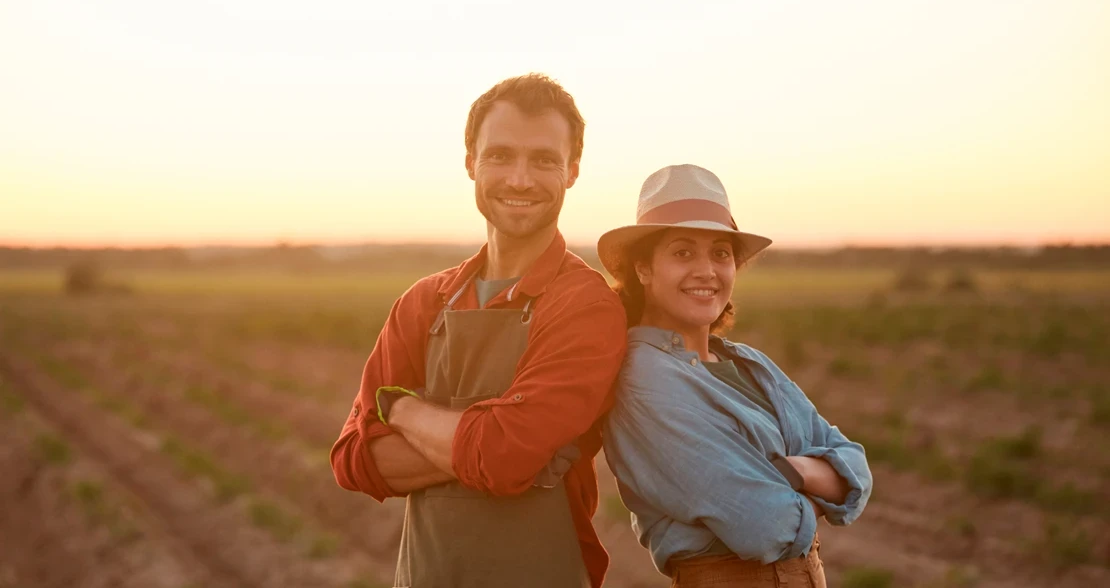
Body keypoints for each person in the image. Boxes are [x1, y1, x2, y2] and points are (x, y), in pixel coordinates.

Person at [329, 74, 627, 588]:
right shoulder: (423, 302)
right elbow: (355, 461)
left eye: (544, 160)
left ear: (573, 171)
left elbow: (505, 454)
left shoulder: (585, 305)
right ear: (470, 162)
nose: (519, 179)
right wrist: (506, 448)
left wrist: (401, 408)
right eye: (500, 156)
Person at [599, 164, 872, 588]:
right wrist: (822, 478)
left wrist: (792, 474)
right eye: (683, 252)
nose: (707, 270)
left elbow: (856, 466)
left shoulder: (749, 363)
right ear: (643, 268)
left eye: (721, 252)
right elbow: (765, 525)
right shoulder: (643, 377)